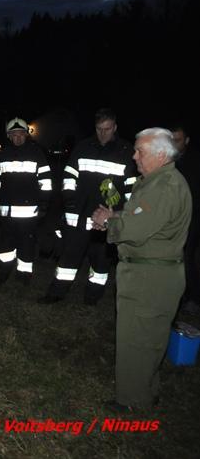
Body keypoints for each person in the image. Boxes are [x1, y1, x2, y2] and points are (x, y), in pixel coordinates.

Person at [92, 127, 191, 412]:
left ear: (160, 155)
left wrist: (108, 221)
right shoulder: (158, 181)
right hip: (153, 275)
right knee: (149, 338)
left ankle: (132, 400)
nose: (134, 156)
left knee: (137, 339)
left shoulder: (164, 186)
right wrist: (116, 217)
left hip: (149, 279)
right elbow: (141, 217)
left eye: (140, 151)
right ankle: (147, 390)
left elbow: (136, 229)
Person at [38, 109, 137, 305]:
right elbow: (69, 176)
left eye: (107, 129)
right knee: (68, 258)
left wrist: (123, 214)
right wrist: (70, 200)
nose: (103, 133)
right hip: (80, 215)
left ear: (115, 127)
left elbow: (131, 188)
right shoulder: (83, 147)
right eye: (99, 129)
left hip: (106, 219)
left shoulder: (126, 151)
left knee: (101, 262)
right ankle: (56, 293)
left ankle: (92, 297)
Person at [0, 118, 52, 286]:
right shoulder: (3, 155)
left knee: (27, 244)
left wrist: (44, 204)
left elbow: (46, 181)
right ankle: (4, 271)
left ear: (26, 135)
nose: (18, 137)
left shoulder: (37, 154)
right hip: (6, 211)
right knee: (5, 244)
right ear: (9, 136)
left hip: (29, 211)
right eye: (14, 134)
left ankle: (24, 275)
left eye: (21, 134)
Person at [172, 125, 200, 314]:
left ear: (187, 141)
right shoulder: (168, 159)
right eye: (171, 139)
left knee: (186, 257)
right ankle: (177, 296)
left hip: (192, 218)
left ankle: (194, 298)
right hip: (172, 218)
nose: (174, 143)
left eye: (178, 140)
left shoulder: (194, 161)